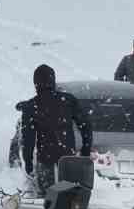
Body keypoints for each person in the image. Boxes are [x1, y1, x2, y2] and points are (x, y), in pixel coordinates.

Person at [20, 65, 93, 194]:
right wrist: (85, 151)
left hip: (45, 158)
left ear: (36, 84)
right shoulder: (68, 100)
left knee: (47, 197)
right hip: (67, 157)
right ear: (53, 81)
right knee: (69, 195)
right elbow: (85, 126)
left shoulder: (32, 106)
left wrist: (28, 161)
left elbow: (28, 139)